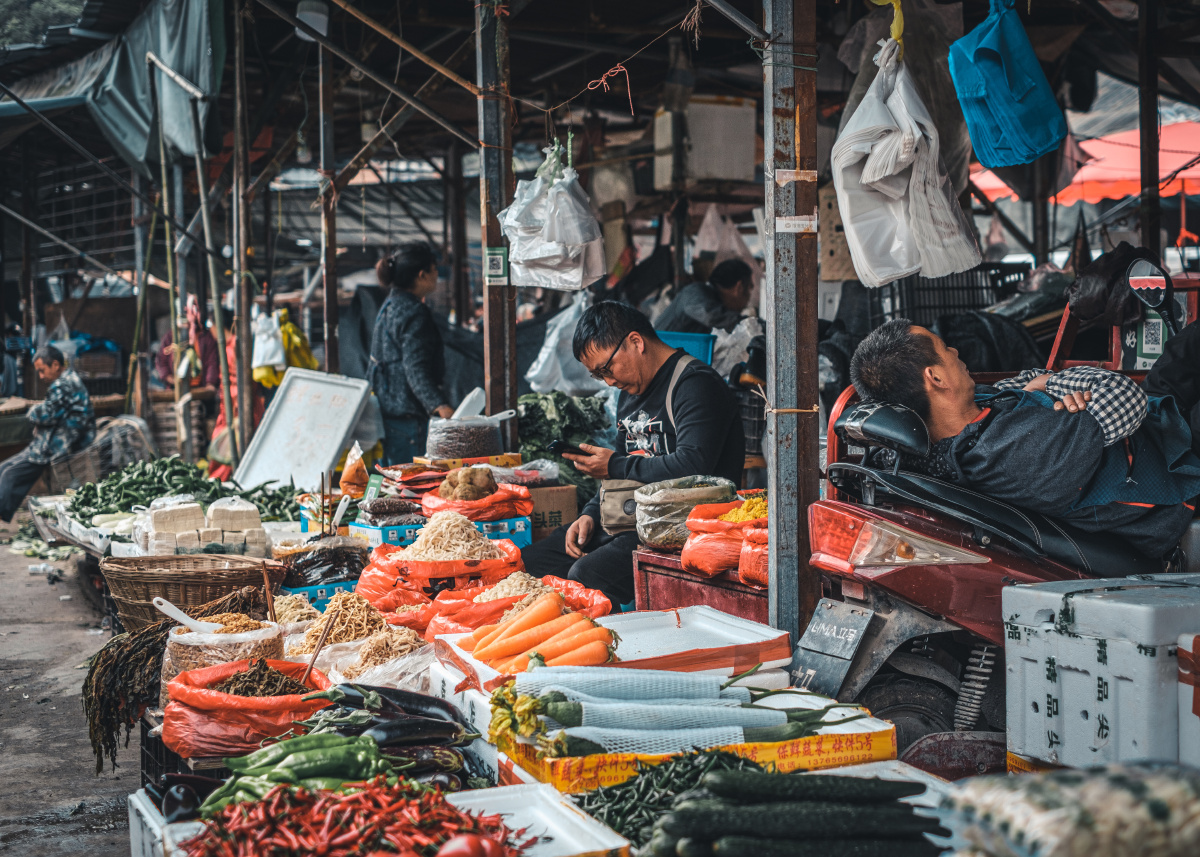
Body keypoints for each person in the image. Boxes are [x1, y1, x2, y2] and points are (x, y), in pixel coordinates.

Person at [848, 318, 1200, 559]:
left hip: (1152, 429)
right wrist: (1052, 385)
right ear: (936, 378)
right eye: (944, 348)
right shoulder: (1010, 452)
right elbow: (1125, 398)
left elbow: (1024, 380)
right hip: (1175, 467)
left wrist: (1046, 386)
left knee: (1190, 343)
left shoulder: (968, 414)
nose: (955, 352)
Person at [522, 301, 746, 605]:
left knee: (587, 575)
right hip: (630, 518)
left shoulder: (695, 384)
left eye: (606, 369)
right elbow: (619, 468)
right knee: (529, 563)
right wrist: (590, 514)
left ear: (636, 342)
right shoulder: (630, 392)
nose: (608, 381)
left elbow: (694, 466)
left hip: (683, 528)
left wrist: (615, 465)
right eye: (598, 375)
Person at [368, 241, 453, 465]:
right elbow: (415, 368)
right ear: (422, 275)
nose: (437, 275)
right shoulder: (414, 312)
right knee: (411, 481)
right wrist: (439, 405)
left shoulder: (390, 305)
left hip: (388, 412)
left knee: (393, 479)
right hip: (408, 418)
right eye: (434, 270)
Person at [0, 345, 95, 521]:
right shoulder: (66, 380)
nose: (41, 376)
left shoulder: (64, 384)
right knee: (3, 468)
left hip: (59, 445)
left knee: (9, 475)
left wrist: (33, 412)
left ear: (56, 365)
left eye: (42, 370)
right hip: (48, 441)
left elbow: (46, 415)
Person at [654, 259, 753, 335]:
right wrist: (753, 325)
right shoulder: (695, 291)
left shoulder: (712, 300)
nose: (749, 299)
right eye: (749, 289)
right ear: (739, 287)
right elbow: (710, 316)